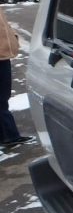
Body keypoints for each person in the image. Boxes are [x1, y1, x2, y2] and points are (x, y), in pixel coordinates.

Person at [1, 8, 32, 147]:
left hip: (3, 58)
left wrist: (14, 37)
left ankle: (6, 136)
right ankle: (10, 136)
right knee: (1, 99)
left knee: (2, 98)